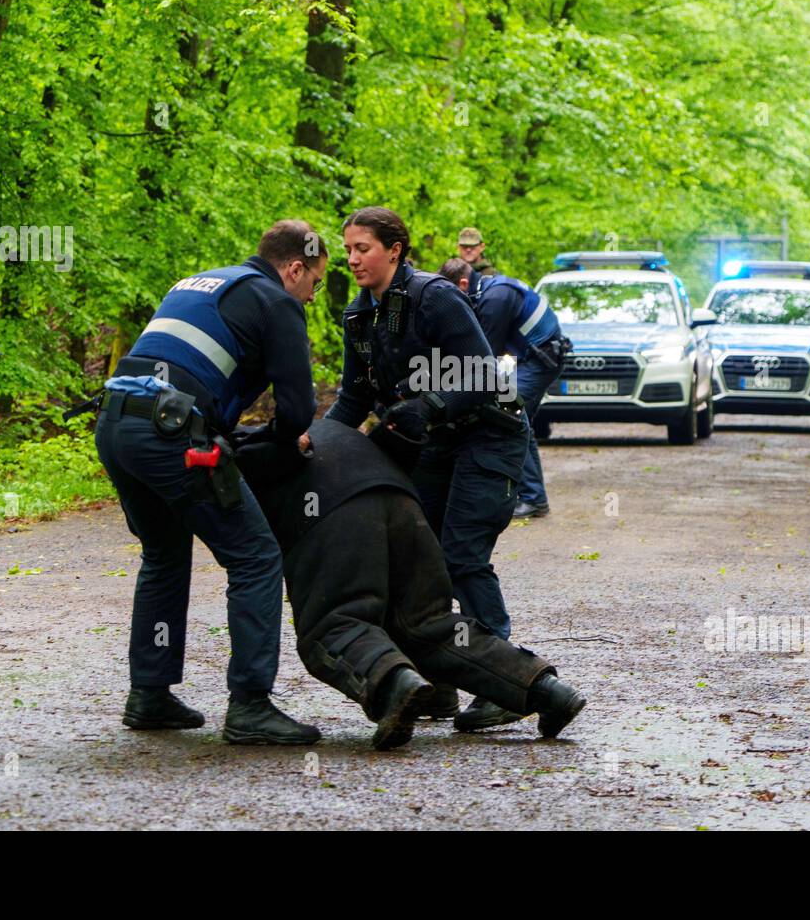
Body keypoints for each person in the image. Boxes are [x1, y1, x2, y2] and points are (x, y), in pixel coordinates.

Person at [92, 219, 328, 746]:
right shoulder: (276, 302)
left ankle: (149, 694)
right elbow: (297, 412)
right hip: (167, 430)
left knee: (164, 552)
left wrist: (234, 433)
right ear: (294, 268)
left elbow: (185, 369)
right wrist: (277, 440)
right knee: (256, 556)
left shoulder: (200, 281)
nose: (313, 298)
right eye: (315, 282)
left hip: (114, 422)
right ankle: (250, 705)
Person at [233, 417, 587, 750]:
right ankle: (545, 690)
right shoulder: (306, 429)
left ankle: (394, 685)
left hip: (335, 515)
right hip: (403, 503)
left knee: (333, 627)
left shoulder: (230, 454)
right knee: (429, 626)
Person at [327, 207, 531, 732]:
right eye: (347, 249)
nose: (352, 259)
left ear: (394, 250)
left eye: (362, 249)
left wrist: (430, 405)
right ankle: (438, 682)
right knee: (422, 560)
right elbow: (352, 399)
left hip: (490, 436)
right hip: (437, 446)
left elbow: (486, 372)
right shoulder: (358, 315)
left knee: (462, 555)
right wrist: (312, 445)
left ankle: (508, 682)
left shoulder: (435, 297)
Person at [439, 258, 568, 518]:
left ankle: (532, 498)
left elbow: (484, 357)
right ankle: (532, 496)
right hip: (534, 359)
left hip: (540, 360)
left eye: (452, 295)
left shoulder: (494, 298)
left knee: (511, 415)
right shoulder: (489, 289)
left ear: (463, 284)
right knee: (521, 420)